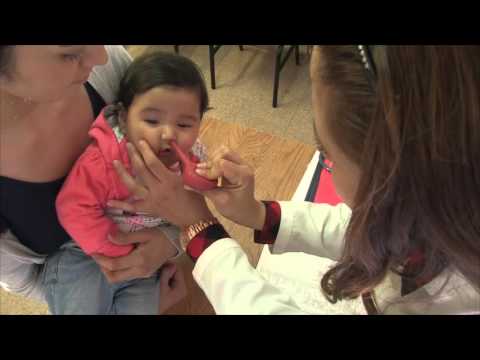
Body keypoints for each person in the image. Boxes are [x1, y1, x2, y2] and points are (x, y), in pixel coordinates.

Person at [106, 45, 480, 314]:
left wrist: (197, 226)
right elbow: (371, 228)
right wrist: (257, 214)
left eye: (327, 154)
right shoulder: (446, 207)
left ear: (392, 177)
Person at [0, 46, 183, 314]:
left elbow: (178, 173)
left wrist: (169, 240)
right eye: (68, 54)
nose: (102, 57)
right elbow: (24, 281)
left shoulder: (109, 71)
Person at [54, 51, 209, 314]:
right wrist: (117, 250)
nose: (168, 133)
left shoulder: (192, 158)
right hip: (87, 255)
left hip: (146, 258)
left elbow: (198, 205)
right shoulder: (104, 161)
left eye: (184, 124)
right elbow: (72, 208)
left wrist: (216, 181)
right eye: (151, 120)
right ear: (124, 119)